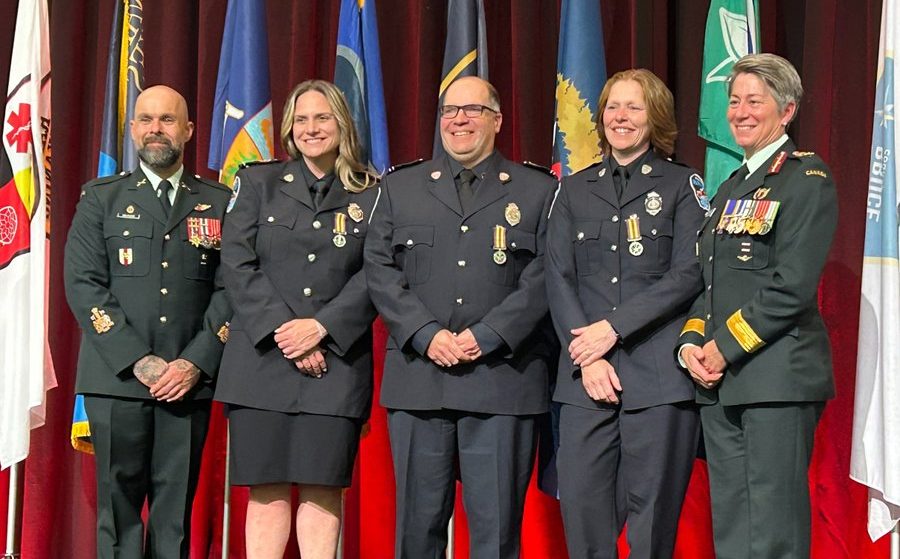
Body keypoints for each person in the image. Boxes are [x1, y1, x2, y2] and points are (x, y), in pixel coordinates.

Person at [364, 76, 558, 559]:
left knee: (495, 535)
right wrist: (426, 335)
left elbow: (547, 274)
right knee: (417, 530)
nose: (459, 120)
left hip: (501, 381)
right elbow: (379, 268)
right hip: (420, 381)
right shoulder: (400, 186)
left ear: (496, 120)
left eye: (472, 110)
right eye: (450, 111)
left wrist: (489, 335)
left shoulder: (538, 190)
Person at [678, 53, 837, 559]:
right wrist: (692, 346)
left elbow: (792, 285)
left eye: (754, 100)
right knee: (734, 529)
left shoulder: (805, 179)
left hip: (775, 380)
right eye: (733, 101)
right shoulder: (728, 190)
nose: (740, 112)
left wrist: (723, 348)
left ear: (786, 111)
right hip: (721, 384)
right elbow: (711, 284)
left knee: (772, 530)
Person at [64, 85, 232, 559]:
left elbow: (232, 290)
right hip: (116, 379)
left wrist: (194, 363)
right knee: (116, 517)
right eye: (146, 119)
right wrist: (138, 361)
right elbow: (83, 285)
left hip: (187, 382)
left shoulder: (219, 202)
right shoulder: (102, 197)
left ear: (189, 130)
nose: (156, 129)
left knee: (175, 515)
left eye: (168, 120)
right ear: (134, 128)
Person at [213, 79, 379, 559]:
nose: (312, 128)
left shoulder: (372, 194)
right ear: (289, 128)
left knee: (323, 489)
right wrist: (288, 333)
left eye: (322, 118)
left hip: (336, 363)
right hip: (262, 361)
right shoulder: (257, 182)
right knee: (264, 490)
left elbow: (378, 274)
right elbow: (237, 262)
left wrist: (321, 329)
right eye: (302, 119)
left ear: (342, 124)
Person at [545, 69, 704, 558]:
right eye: (613, 106)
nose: (621, 117)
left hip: (658, 381)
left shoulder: (682, 185)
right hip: (583, 379)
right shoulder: (572, 190)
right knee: (583, 516)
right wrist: (588, 358)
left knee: (652, 525)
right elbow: (558, 277)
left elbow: (689, 273)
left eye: (634, 108)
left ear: (654, 116)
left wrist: (612, 330)